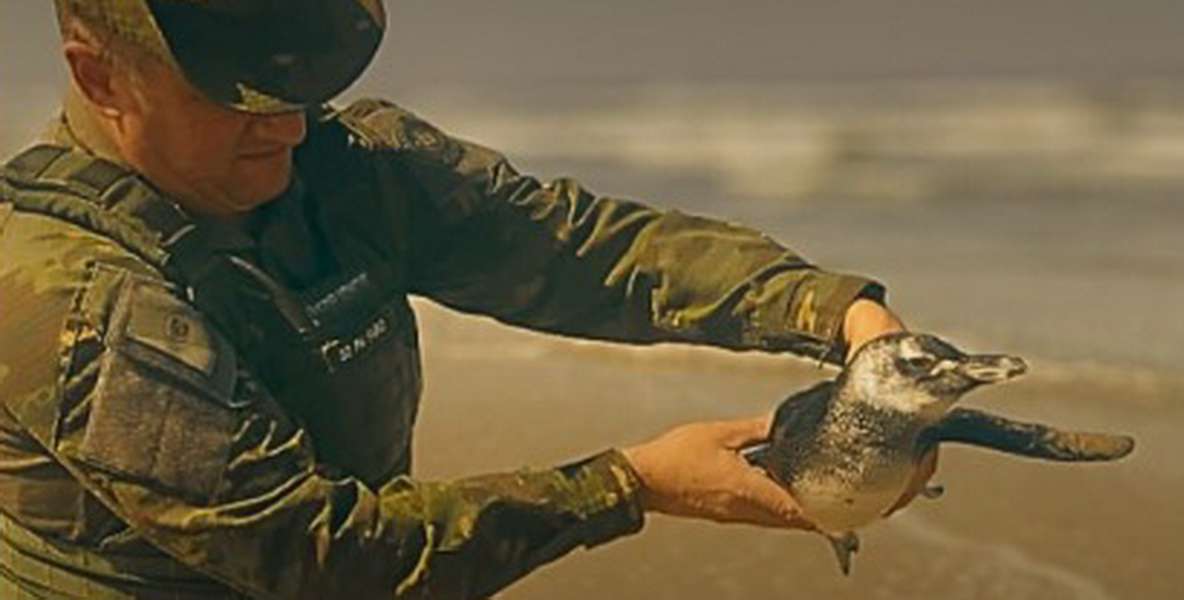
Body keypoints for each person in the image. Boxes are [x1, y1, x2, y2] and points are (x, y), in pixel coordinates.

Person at [0, 1, 933, 598]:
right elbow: (317, 553)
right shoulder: (65, 295)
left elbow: (574, 248)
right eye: (234, 99)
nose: (282, 123)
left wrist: (836, 312)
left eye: (296, 86)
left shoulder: (341, 168)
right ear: (101, 76)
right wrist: (631, 485)